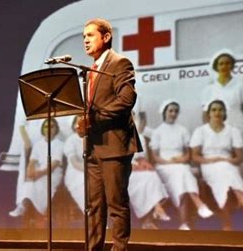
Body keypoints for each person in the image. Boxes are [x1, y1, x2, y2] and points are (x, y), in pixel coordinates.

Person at [76, 18, 142, 251]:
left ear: (106, 37)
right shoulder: (90, 71)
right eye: (83, 36)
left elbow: (126, 100)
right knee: (94, 206)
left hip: (115, 144)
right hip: (93, 146)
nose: (85, 40)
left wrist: (94, 119)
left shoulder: (120, 63)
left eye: (90, 35)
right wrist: (81, 122)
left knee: (116, 204)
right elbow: (90, 107)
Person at [150, 100, 213, 230]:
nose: (173, 113)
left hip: (179, 164)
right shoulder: (157, 131)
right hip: (163, 166)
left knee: (180, 174)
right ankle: (199, 204)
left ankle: (184, 223)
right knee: (182, 172)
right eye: (170, 111)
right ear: (164, 112)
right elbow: (155, 156)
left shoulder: (182, 130)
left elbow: (187, 155)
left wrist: (181, 159)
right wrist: (169, 162)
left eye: (176, 111)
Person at [190, 99, 243, 230]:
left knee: (225, 174)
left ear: (225, 112)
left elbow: (240, 157)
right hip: (208, 163)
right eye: (214, 109)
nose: (217, 112)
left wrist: (227, 160)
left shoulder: (233, 131)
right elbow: (195, 156)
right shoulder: (200, 131)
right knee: (224, 174)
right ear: (209, 113)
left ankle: (227, 222)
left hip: (227, 162)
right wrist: (211, 160)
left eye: (220, 109)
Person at [201, 49, 243, 182]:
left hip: (238, 124)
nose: (224, 66)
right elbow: (205, 113)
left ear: (232, 65)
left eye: (227, 63)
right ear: (216, 67)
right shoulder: (209, 89)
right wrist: (207, 130)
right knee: (222, 155)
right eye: (221, 63)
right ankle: (225, 187)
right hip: (217, 127)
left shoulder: (242, 86)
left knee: (241, 155)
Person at [18, 118, 64, 221]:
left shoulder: (60, 144)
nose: (48, 129)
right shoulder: (38, 144)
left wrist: (38, 174)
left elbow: (54, 164)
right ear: (43, 129)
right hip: (38, 173)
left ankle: (39, 214)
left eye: (52, 126)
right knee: (29, 185)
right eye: (46, 126)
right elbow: (32, 162)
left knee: (39, 184)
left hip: (53, 174)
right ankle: (30, 214)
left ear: (56, 129)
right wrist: (30, 172)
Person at [129, 133, 170, 230]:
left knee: (151, 175)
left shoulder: (138, 135)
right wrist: (130, 166)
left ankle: (151, 217)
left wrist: (144, 163)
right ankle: (155, 212)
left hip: (136, 169)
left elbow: (141, 157)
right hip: (120, 171)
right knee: (144, 181)